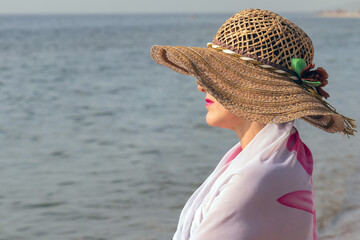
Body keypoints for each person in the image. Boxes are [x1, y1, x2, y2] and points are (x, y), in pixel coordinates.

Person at [150, 9, 356, 240]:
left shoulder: (254, 179)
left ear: (250, 89)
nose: (200, 86)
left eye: (216, 74)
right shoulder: (284, 157)